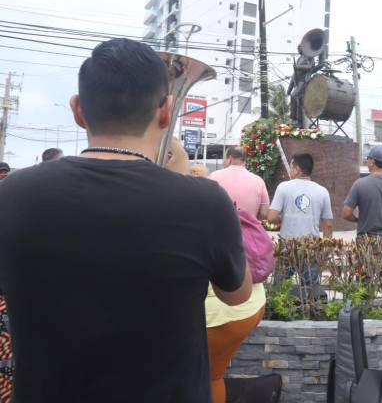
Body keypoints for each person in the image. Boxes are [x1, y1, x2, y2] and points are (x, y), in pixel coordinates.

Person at [0, 38, 252, 403]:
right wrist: (190, 183)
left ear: (77, 110)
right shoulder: (205, 201)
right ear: (166, 113)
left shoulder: (12, 195)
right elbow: (237, 294)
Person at [205, 156, 266, 403]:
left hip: (217, 313)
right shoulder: (257, 181)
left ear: (228, 158)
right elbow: (266, 214)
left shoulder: (212, 181)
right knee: (213, 375)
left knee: (208, 375)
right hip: (252, 303)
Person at [268, 153, 333, 285]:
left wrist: (283, 219)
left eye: (292, 167)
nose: (291, 170)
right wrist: (325, 250)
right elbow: (328, 225)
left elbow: (271, 217)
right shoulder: (322, 191)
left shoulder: (283, 187)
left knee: (280, 290)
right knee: (310, 290)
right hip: (311, 248)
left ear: (297, 169)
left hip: (287, 247)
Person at [209, 147, 270, 220]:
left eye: (224, 158)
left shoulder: (214, 176)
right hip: (248, 229)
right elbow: (264, 212)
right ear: (245, 160)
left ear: (230, 158)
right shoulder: (259, 181)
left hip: (220, 228)